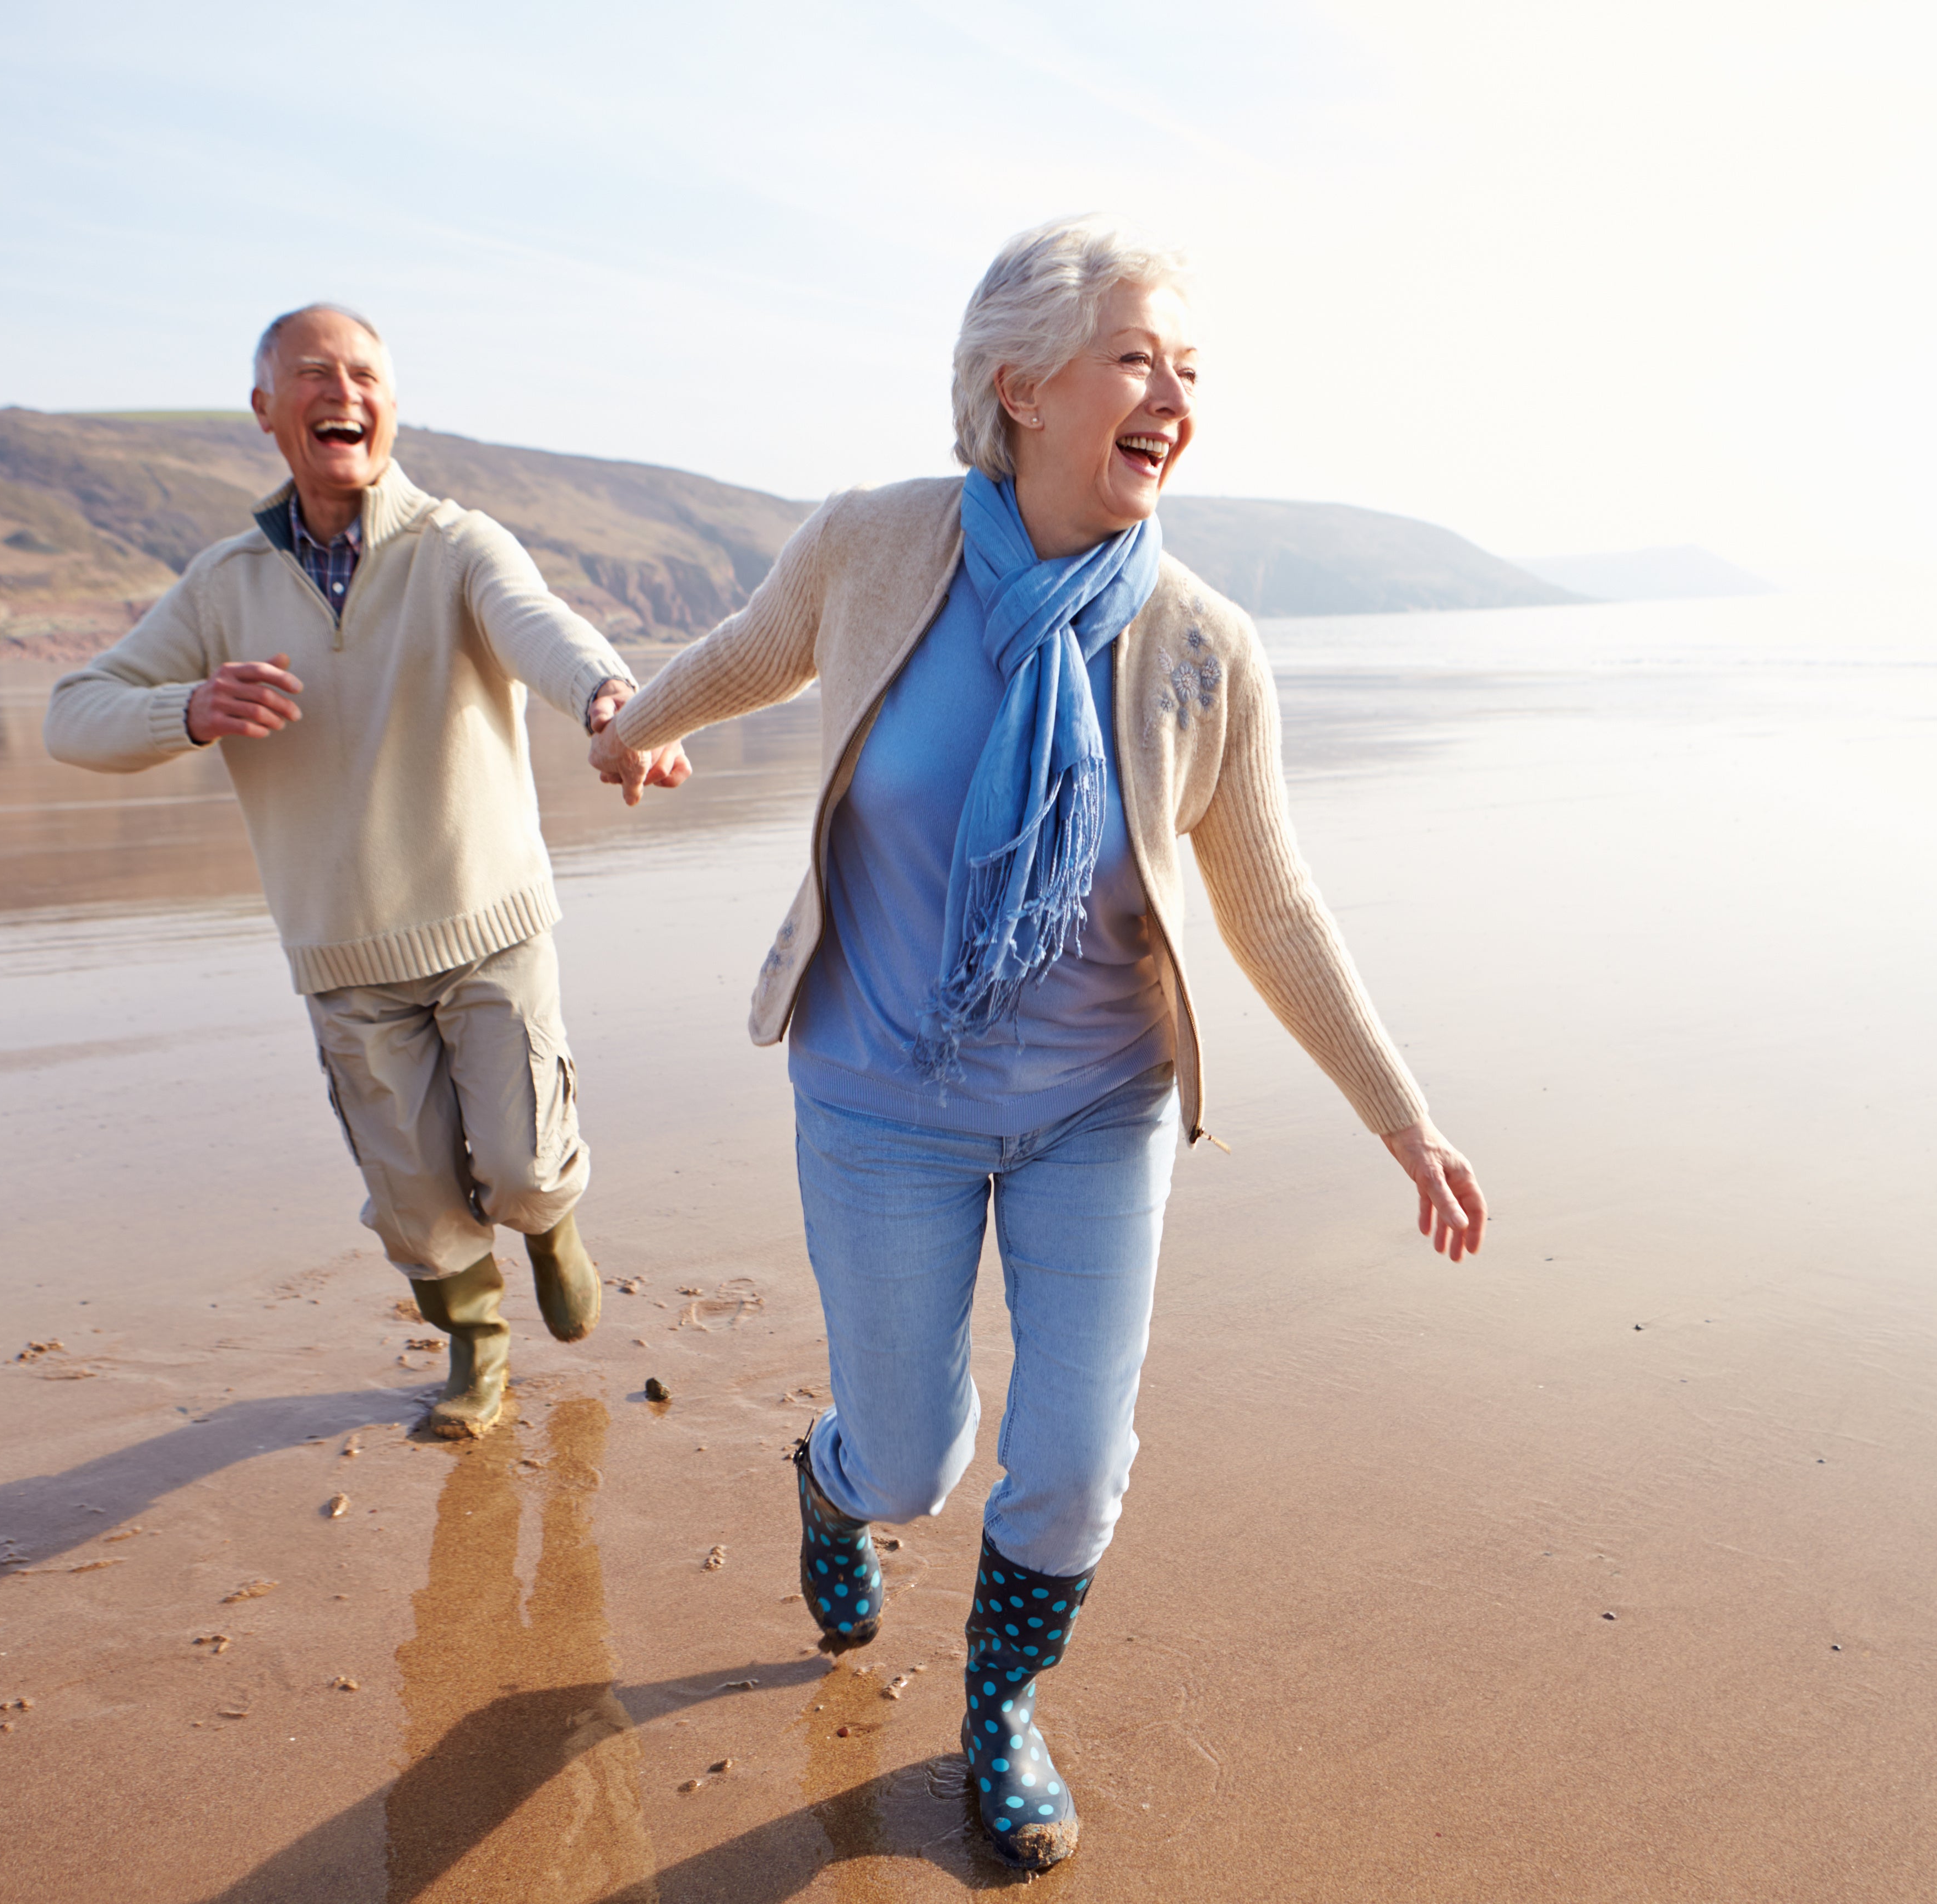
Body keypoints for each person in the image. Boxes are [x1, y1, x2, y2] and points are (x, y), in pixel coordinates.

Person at [597, 216, 1486, 1871]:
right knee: (913, 1457)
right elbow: (742, 659)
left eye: (1192, 371)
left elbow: (1274, 911)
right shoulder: (873, 549)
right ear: (1018, 383)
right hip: (878, 1099)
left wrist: (1405, 1121)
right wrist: (629, 733)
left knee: (1074, 1468)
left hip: (1099, 1107)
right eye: (1139, 358)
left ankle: (1001, 1712)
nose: (1175, 398)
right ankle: (831, 1484)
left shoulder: (1203, 648)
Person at [45, 303, 689, 1439]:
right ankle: (477, 1352)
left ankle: (552, 1227)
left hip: (489, 922)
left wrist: (611, 699)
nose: (342, 391)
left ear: (391, 402)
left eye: (364, 373)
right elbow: (73, 717)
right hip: (343, 951)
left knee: (525, 1165)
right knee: (417, 1204)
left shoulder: (457, 544)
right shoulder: (222, 584)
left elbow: (541, 626)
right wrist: (187, 708)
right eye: (312, 374)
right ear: (266, 410)